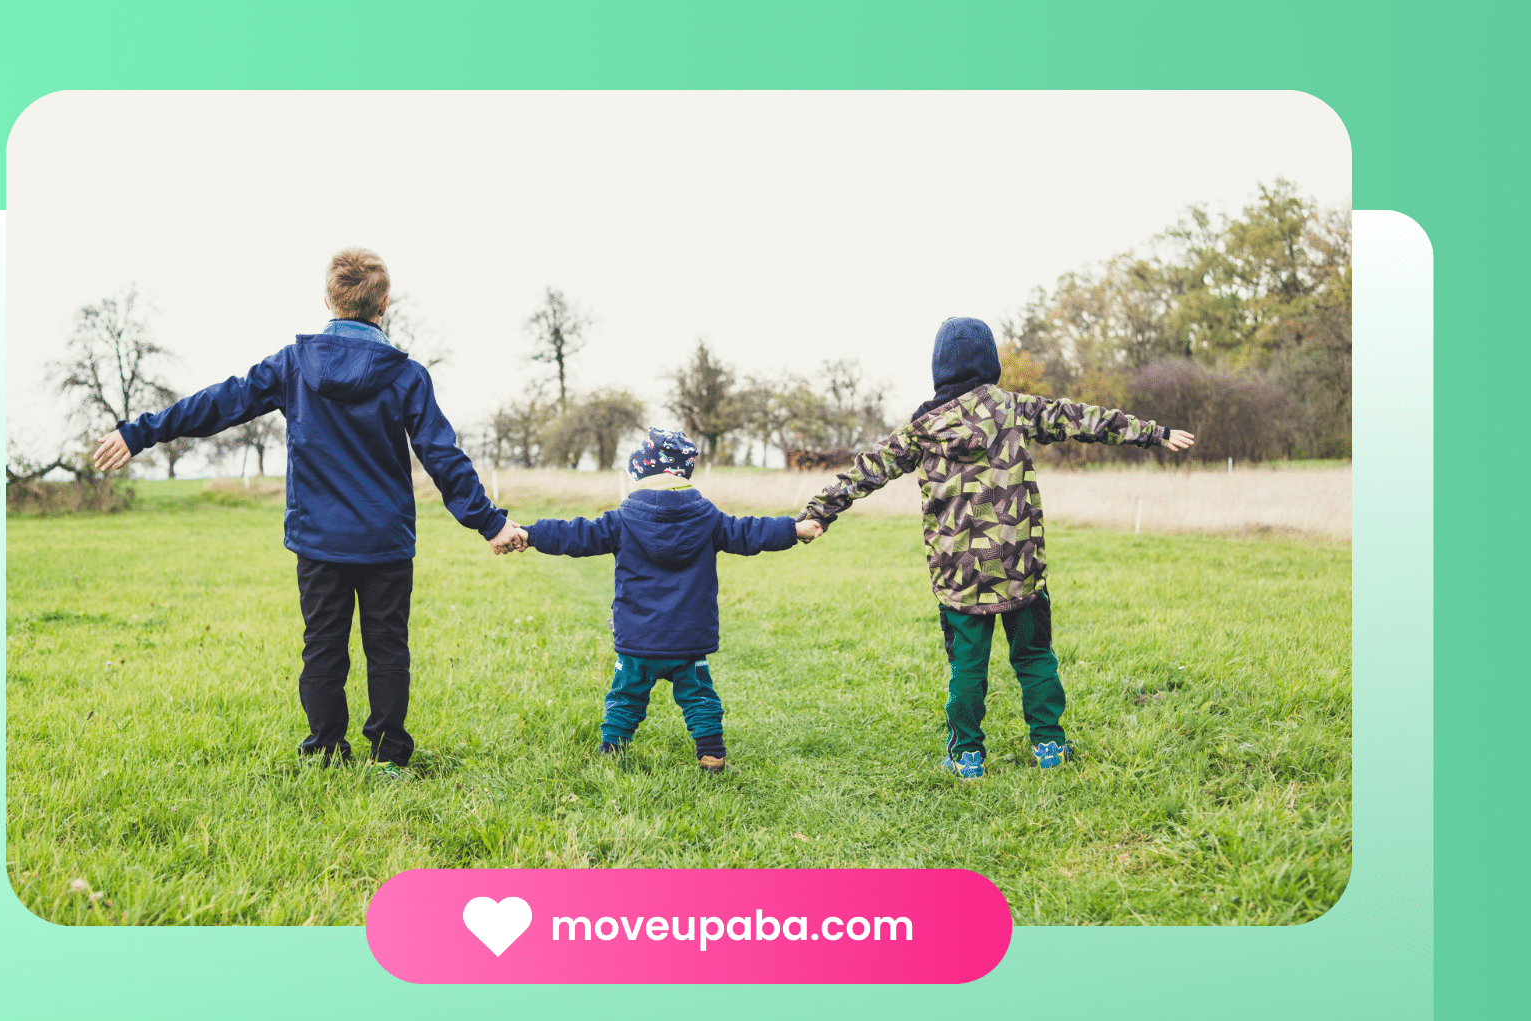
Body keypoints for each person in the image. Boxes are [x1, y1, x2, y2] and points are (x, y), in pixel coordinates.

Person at [91, 247, 525, 777]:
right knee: (387, 647)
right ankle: (388, 757)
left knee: (322, 647)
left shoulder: (294, 365)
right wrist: (490, 522)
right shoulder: (407, 375)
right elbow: (442, 455)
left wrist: (140, 432)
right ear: (384, 303)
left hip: (319, 540)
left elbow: (220, 403)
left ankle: (324, 749)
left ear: (327, 299)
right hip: (384, 540)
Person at [796, 317, 1196, 778]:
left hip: (960, 577)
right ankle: (1049, 745)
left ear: (939, 369)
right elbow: (1081, 419)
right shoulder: (1013, 409)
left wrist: (819, 511)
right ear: (990, 362)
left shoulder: (922, 429)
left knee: (966, 668)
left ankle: (967, 755)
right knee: (1034, 657)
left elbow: (867, 469)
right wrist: (1154, 433)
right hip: (1019, 566)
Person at [498, 429, 820, 773]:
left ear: (640, 472)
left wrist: (530, 534)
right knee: (699, 696)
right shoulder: (708, 518)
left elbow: (576, 534)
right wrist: (794, 529)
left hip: (638, 639)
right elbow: (749, 532)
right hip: (689, 639)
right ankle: (712, 754)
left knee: (626, 696)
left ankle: (612, 753)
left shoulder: (621, 519)